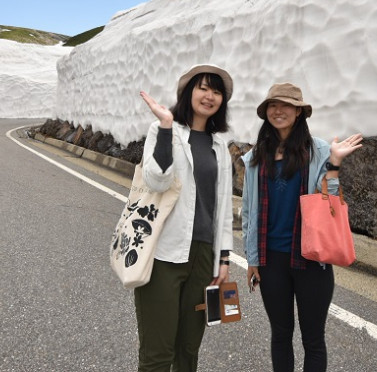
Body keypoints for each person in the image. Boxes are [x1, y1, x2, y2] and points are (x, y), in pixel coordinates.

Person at [241, 82, 362, 372]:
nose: (278, 110)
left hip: (311, 259)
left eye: (286, 105)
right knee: (281, 335)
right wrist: (252, 258)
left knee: (313, 339)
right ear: (266, 111)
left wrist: (334, 164)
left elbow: (330, 202)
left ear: (299, 112)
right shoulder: (257, 156)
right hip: (271, 260)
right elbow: (248, 211)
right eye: (273, 105)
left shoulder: (319, 150)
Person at [135, 64, 235, 372]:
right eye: (203, 88)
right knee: (158, 351)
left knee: (188, 349)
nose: (209, 96)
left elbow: (223, 208)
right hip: (164, 252)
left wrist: (224, 258)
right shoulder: (163, 131)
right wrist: (166, 127)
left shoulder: (220, 146)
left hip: (203, 256)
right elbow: (157, 181)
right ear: (188, 91)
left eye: (216, 91)